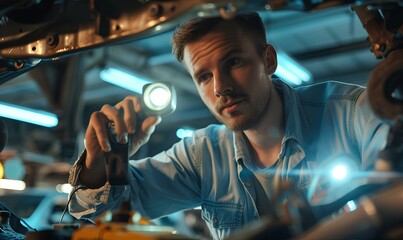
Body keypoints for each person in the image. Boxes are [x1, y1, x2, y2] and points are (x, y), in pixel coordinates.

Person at [68, 11, 389, 239]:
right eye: (204, 77)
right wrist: (105, 162)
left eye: (233, 62)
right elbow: (98, 220)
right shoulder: (200, 155)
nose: (220, 87)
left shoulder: (353, 114)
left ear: (268, 61)